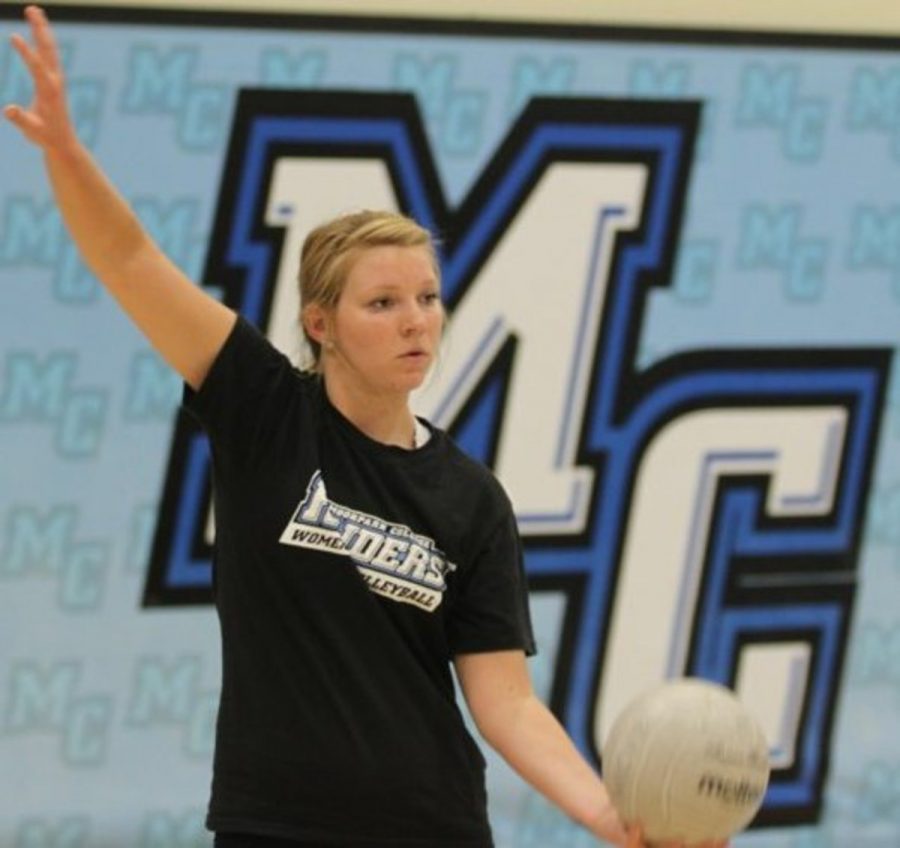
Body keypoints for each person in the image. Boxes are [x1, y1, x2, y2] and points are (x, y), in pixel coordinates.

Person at [5, 7, 729, 848]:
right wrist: (65, 154)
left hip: (433, 828)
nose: (415, 321)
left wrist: (608, 815)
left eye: (426, 298)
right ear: (321, 322)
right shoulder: (265, 412)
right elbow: (131, 260)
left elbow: (506, 702)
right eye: (382, 303)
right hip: (273, 826)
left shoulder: (471, 497)